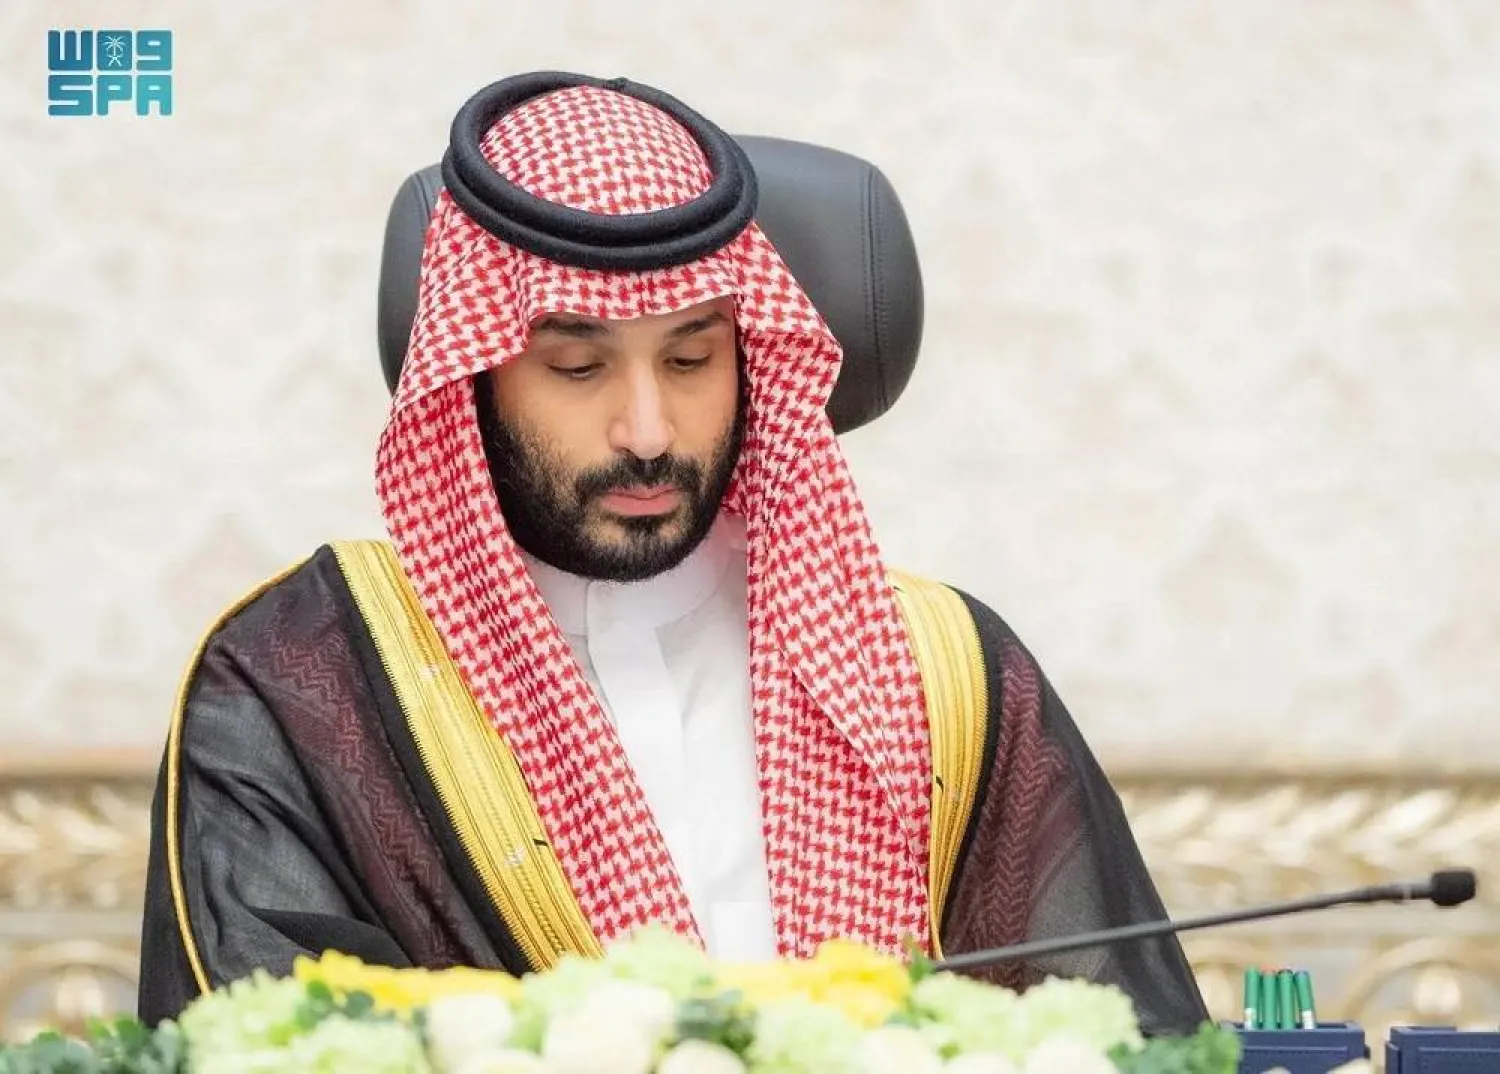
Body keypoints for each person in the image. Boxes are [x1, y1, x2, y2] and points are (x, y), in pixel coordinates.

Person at [136, 72, 1209, 1034]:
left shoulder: (944, 672)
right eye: (576, 367)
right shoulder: (298, 684)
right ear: (474, 377)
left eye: (692, 357)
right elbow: (265, 1047)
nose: (647, 428)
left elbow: (1122, 1037)